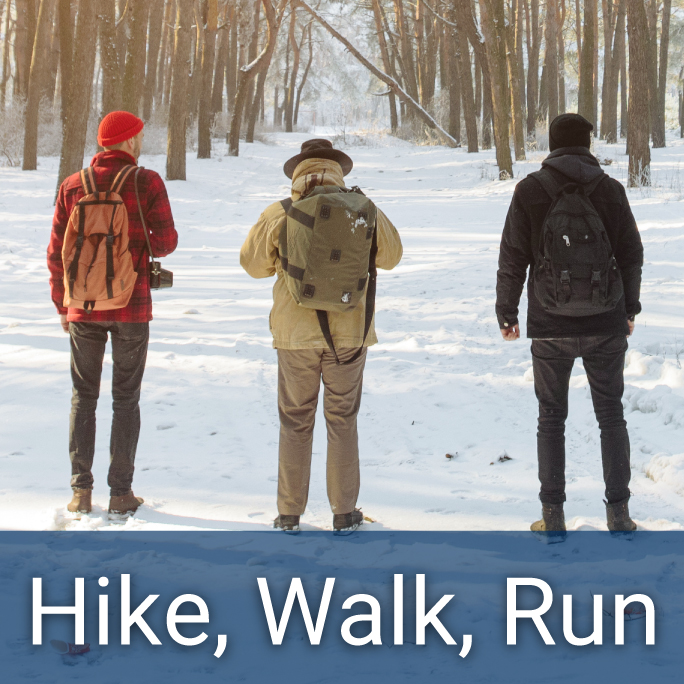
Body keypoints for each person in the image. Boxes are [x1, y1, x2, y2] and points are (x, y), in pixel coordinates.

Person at [240, 139, 403, 533]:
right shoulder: (364, 210)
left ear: (298, 173)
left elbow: (252, 265)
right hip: (349, 334)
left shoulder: (280, 212)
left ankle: (289, 513)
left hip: (295, 337)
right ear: (338, 172)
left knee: (295, 420)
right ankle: (344, 512)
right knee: (342, 418)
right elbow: (392, 257)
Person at [496, 113, 644, 539]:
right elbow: (632, 254)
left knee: (550, 419)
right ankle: (619, 514)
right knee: (611, 416)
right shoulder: (611, 190)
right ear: (589, 143)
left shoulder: (530, 190)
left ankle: (554, 516)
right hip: (605, 321)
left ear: (552, 144)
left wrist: (507, 313)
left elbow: (513, 257)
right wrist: (628, 309)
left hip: (548, 322)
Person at [47, 111, 178, 516]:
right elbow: (167, 242)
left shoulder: (73, 185)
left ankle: (80, 493)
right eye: (138, 136)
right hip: (132, 306)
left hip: (82, 308)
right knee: (126, 399)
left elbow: (56, 253)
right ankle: (120, 493)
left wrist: (62, 306)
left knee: (82, 398)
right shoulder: (146, 181)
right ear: (130, 141)